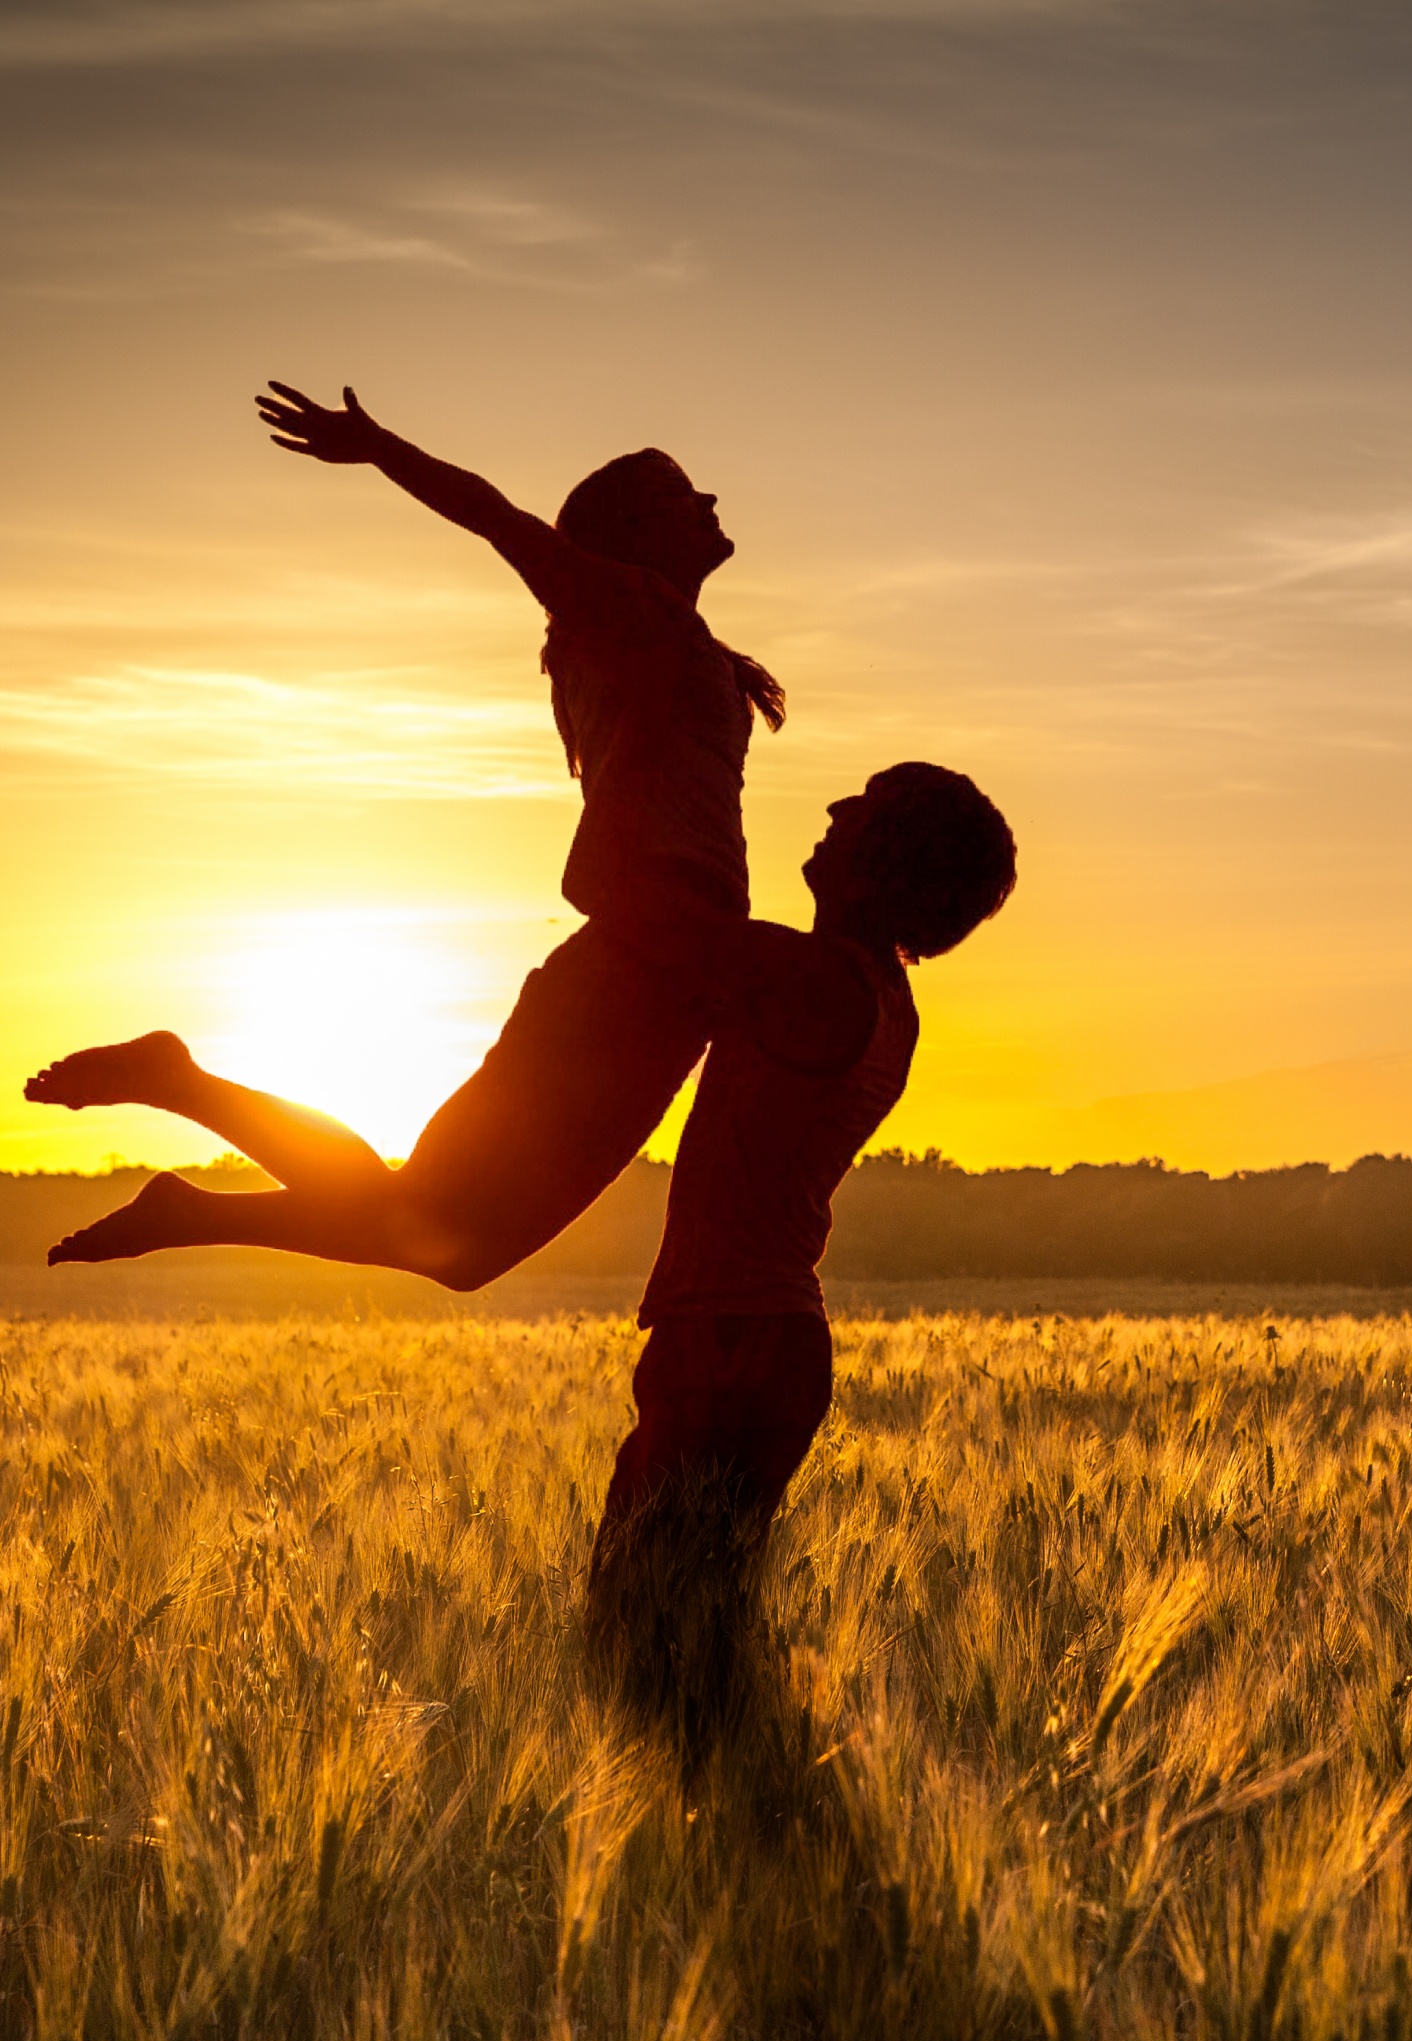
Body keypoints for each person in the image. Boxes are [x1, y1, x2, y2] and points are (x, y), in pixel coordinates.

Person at [27, 382, 783, 1283]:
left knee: (460, 1247)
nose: (707, 502)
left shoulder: (666, 638)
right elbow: (497, 518)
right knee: (438, 1224)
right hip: (639, 964)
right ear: (632, 533)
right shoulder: (621, 612)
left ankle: (185, 1185)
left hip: (676, 970)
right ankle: (178, 1092)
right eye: (679, 494)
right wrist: (380, 448)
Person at [586, 762, 1016, 1735]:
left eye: (862, 806)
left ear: (885, 859)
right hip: (756, 1333)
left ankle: (716, 1838)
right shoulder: (870, 994)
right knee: (684, 1628)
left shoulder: (820, 983)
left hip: (733, 1339)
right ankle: (738, 1831)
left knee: (643, 1634)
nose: (832, 808)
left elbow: (649, 925)